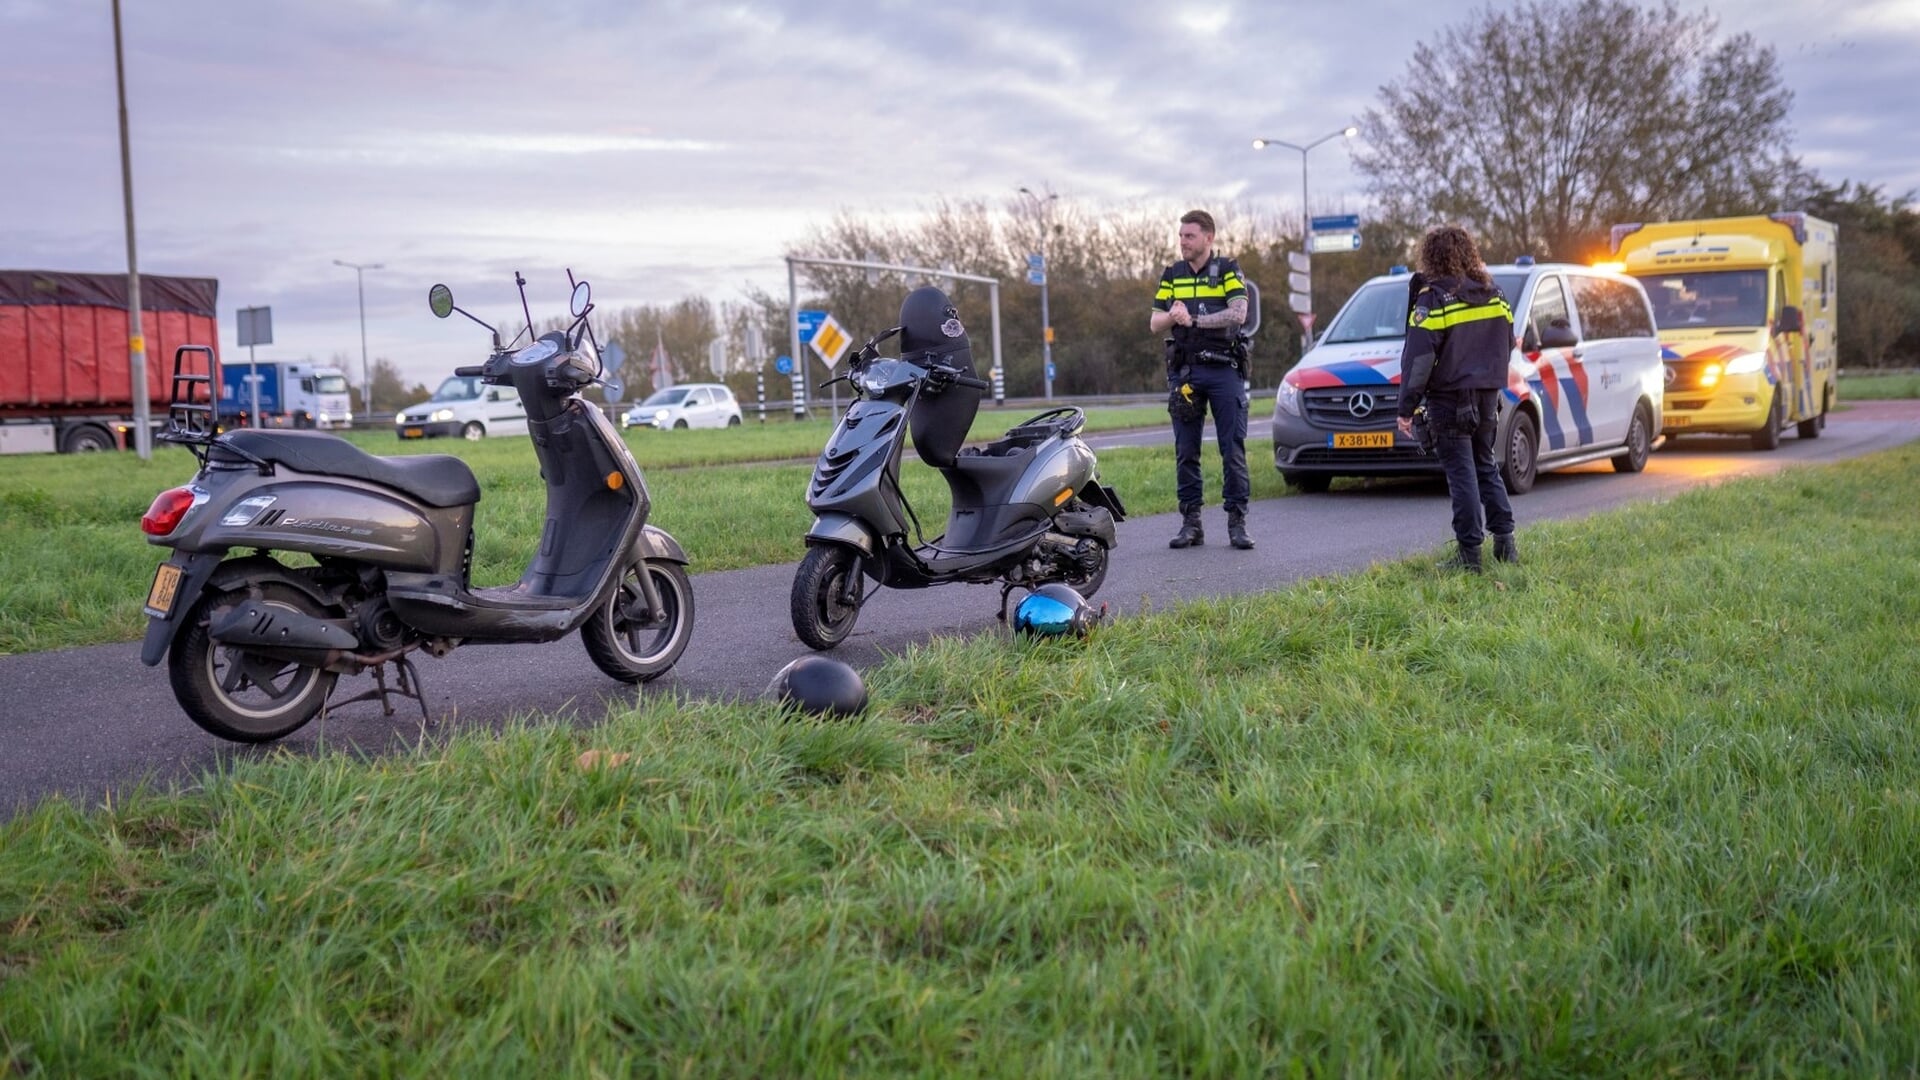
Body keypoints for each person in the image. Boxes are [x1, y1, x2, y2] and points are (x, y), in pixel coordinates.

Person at [1395, 224, 1519, 572]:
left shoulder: (1433, 297)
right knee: (1486, 466)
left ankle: (1469, 556)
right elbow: (1509, 341)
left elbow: (1418, 358)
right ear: (1468, 252)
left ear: (1431, 256)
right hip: (1487, 397)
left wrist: (1406, 407)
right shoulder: (1495, 293)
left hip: (1449, 399)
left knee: (1461, 474)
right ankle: (1505, 545)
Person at [1150, 209, 1254, 550]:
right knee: (1186, 451)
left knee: (1232, 449)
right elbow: (1155, 323)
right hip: (1187, 372)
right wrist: (1172, 316)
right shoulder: (1172, 274)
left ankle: (1237, 523)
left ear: (1208, 238)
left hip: (1224, 370)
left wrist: (1191, 319)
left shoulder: (1227, 270)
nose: (1183, 242)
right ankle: (1191, 524)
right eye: (1180, 236)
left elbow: (1239, 314)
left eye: (1189, 236)